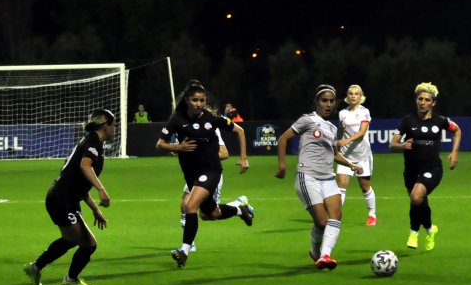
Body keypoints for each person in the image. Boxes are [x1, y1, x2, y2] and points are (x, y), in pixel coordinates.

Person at [156, 80, 254, 268]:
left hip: (211, 171)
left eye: (201, 100)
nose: (199, 104)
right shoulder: (177, 120)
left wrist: (244, 158)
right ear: (187, 100)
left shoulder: (211, 120)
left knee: (189, 205)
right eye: (195, 100)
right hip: (192, 176)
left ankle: (184, 251)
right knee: (211, 213)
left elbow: (239, 131)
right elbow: (159, 144)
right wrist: (178, 147)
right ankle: (240, 209)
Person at [23, 109, 116, 285]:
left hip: (69, 199)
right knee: (74, 240)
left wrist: (95, 209)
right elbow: (85, 167)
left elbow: (80, 184)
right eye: (114, 125)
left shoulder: (93, 142)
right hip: (60, 198)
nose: (115, 129)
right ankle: (53, 273)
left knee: (89, 244)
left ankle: (45, 270)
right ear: (106, 125)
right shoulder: (92, 141)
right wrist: (101, 190)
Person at [275, 84, 363, 270]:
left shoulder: (331, 127)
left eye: (331, 101)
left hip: (328, 178)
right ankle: (315, 251)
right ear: (317, 102)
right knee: (322, 222)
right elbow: (283, 139)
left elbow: (334, 154)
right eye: (324, 100)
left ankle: (325, 255)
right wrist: (282, 166)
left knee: (336, 215)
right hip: (308, 176)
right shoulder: (307, 120)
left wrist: (351, 165)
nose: (329, 104)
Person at [389, 82, 461, 251]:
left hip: (433, 169)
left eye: (427, 99)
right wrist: (401, 146)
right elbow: (392, 145)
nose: (422, 102)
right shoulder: (407, 121)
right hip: (411, 172)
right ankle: (430, 229)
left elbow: (457, 131)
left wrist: (454, 153)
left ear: (433, 103)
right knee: (420, 203)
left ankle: (413, 233)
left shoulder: (441, 121)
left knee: (415, 197)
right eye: (420, 99)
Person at [178, 128, 253, 252]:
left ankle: (238, 206)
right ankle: (189, 245)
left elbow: (224, 153)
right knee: (185, 204)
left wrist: (200, 155)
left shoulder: (212, 126)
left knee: (207, 214)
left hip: (210, 174)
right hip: (195, 174)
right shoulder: (187, 125)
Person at [336, 84, 377, 226]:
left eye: (356, 94)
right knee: (341, 185)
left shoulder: (364, 112)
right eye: (351, 93)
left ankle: (372, 215)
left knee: (365, 186)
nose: (353, 96)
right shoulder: (342, 113)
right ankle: (336, 216)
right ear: (347, 97)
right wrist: (337, 142)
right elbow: (341, 130)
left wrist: (347, 140)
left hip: (362, 155)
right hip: (345, 155)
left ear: (361, 97)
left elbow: (362, 132)